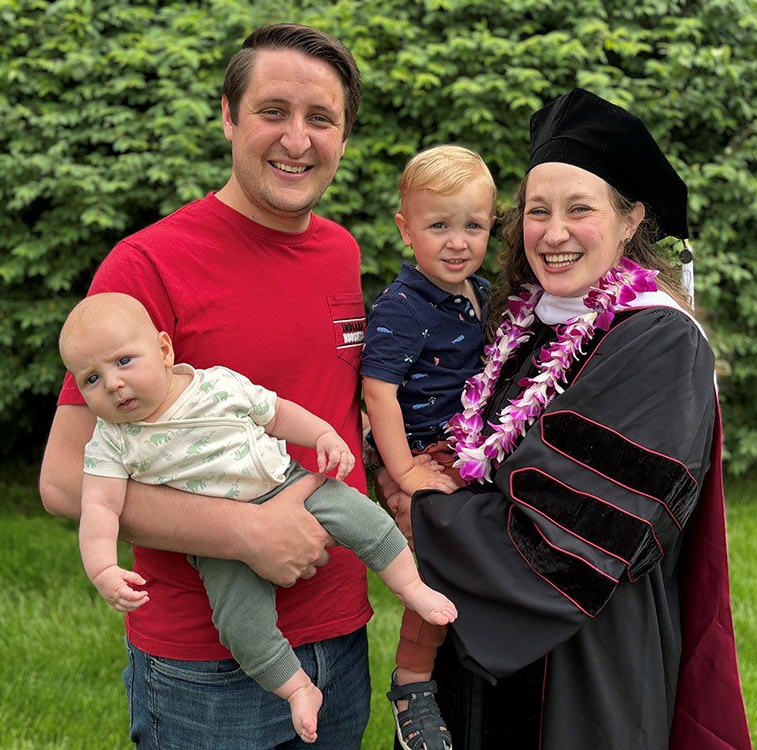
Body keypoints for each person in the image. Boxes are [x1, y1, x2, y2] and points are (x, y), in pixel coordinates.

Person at [39, 23, 376, 750]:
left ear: (344, 136)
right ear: (228, 115)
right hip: (206, 663)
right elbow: (67, 480)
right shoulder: (146, 266)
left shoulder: (340, 251)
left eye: (321, 119)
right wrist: (247, 531)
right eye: (272, 112)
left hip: (343, 631)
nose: (297, 139)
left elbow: (325, 407)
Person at [380, 89, 752, 748]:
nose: (552, 233)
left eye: (579, 210)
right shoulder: (519, 325)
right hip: (478, 652)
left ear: (631, 218)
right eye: (537, 211)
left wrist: (422, 515)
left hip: (587, 668)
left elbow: (572, 532)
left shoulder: (657, 342)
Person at [59, 293, 457, 744]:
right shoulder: (113, 442)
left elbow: (276, 413)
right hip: (216, 545)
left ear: (165, 350)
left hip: (286, 484)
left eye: (124, 361)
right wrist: (102, 568)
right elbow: (99, 507)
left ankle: (411, 587)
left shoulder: (216, 385)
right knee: (240, 624)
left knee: (362, 517)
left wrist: (323, 434)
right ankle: (294, 687)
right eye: (92, 378)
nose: (112, 384)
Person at [361, 145, 496, 750]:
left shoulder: (479, 294)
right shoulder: (405, 307)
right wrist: (403, 472)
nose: (458, 242)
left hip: (462, 451)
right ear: (405, 228)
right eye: (438, 226)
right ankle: (412, 687)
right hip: (419, 457)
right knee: (431, 575)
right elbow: (379, 394)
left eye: (474, 225)